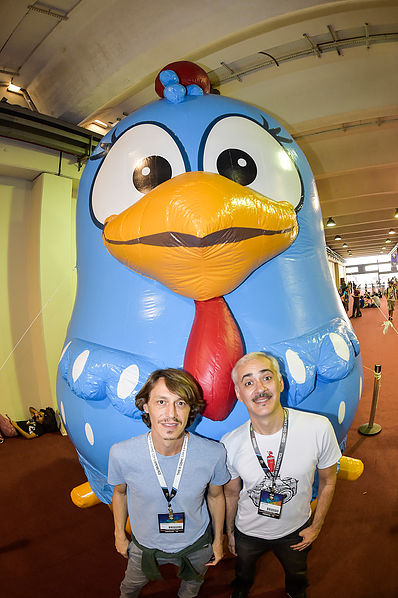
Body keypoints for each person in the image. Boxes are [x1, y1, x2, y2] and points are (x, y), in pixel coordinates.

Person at [222, 352, 341, 598]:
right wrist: (230, 532)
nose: (260, 389)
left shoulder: (318, 428)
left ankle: (296, 591)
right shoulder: (230, 444)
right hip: (247, 531)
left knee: (297, 574)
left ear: (280, 382)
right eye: (248, 382)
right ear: (239, 394)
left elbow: (329, 481)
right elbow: (231, 493)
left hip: (296, 529)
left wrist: (316, 527)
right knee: (243, 572)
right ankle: (241, 589)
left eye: (266, 377)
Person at [108, 368, 230, 598]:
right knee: (129, 589)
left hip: (196, 544)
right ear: (146, 406)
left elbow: (216, 496)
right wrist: (119, 535)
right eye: (161, 401)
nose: (171, 414)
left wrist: (218, 539)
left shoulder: (214, 453)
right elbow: (120, 493)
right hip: (144, 545)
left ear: (190, 409)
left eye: (181, 403)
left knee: (191, 589)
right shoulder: (121, 454)